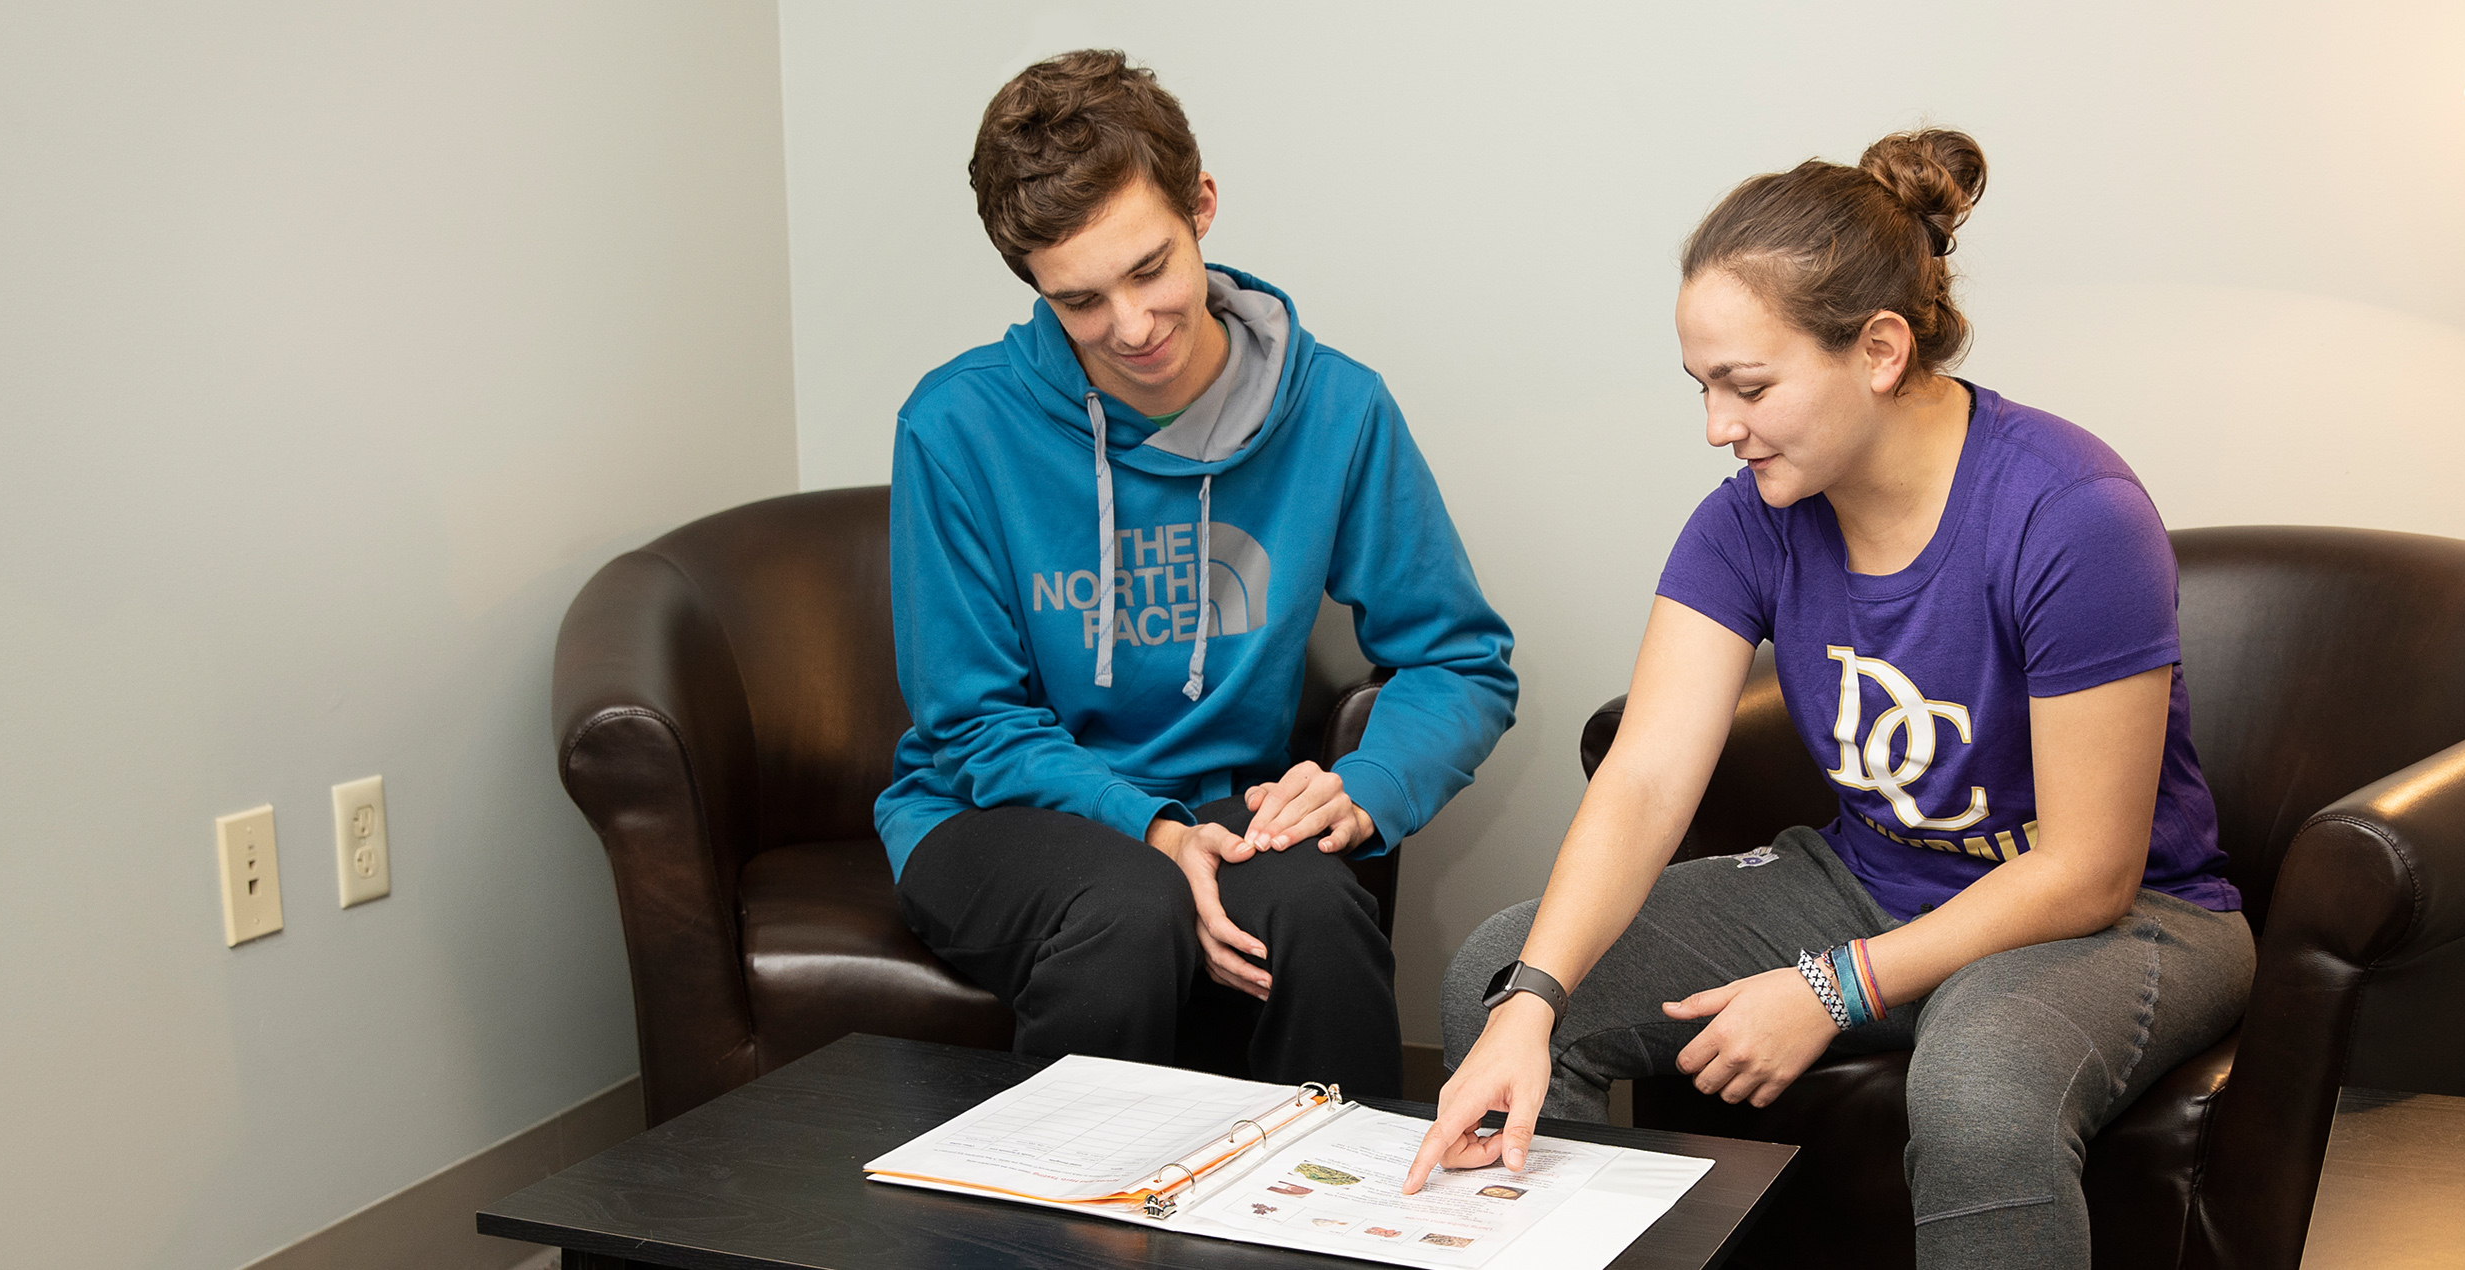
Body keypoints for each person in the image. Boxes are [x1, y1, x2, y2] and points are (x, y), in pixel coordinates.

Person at [1410, 129, 2252, 1268]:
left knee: (1976, 1083)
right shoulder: (1747, 519)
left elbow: (2087, 868)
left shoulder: (2071, 511)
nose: (1717, 425)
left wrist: (1832, 984)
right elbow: (1648, 774)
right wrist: (1534, 998)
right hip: (1871, 879)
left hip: (2129, 914)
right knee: (1497, 972)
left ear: (1879, 349)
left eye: (1747, 385)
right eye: (1703, 386)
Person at [878, 50, 1516, 1098]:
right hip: (986, 818)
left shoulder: (1337, 410)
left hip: (1224, 807)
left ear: (1203, 205)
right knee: (1131, 914)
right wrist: (1156, 833)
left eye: (1149, 269)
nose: (1130, 329)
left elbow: (1459, 661)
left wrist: (1364, 788)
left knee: (1319, 917)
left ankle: (1338, 1237)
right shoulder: (956, 425)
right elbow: (972, 723)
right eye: (1080, 302)